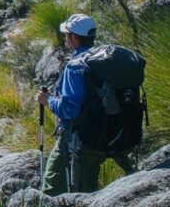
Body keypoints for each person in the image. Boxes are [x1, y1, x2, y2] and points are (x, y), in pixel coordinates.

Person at [36, 13, 135, 195]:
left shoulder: (75, 67)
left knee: (53, 187)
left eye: (66, 35)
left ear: (73, 37)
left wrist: (47, 100)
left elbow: (69, 110)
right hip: (116, 134)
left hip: (83, 140)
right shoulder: (104, 61)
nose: (65, 38)